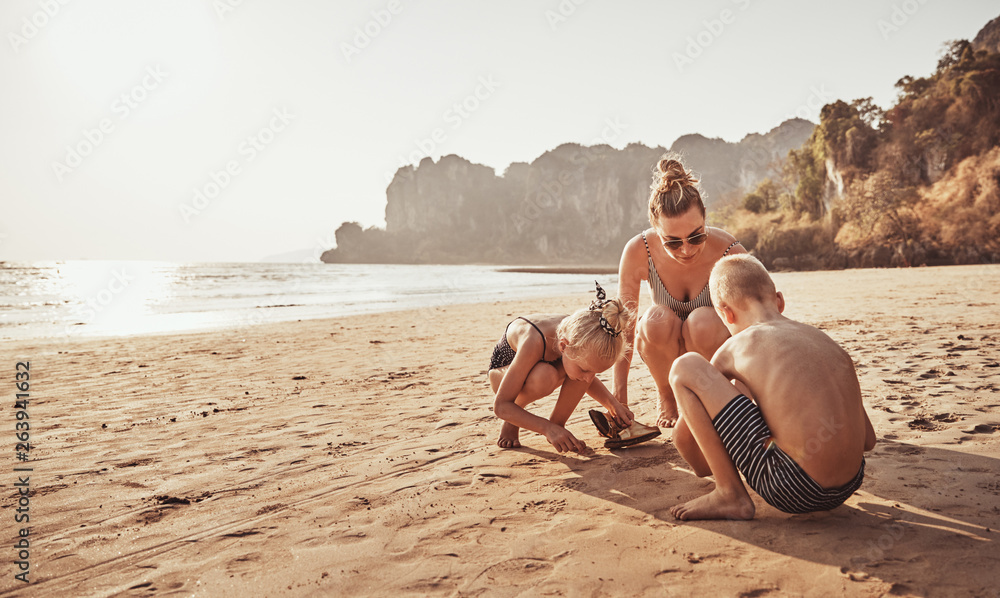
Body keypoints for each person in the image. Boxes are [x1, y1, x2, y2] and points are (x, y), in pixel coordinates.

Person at [667, 254, 877, 520]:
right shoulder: (825, 341)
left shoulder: (735, 347)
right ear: (779, 301)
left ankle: (729, 493)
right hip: (851, 482)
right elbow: (869, 441)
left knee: (685, 366)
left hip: (793, 488)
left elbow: (690, 450)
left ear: (725, 313)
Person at [610, 156, 746, 431]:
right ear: (655, 230)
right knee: (654, 320)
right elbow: (624, 326)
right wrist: (619, 394)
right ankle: (667, 397)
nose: (686, 249)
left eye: (696, 236)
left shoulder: (730, 251)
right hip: (663, 348)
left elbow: (753, 326)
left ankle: (707, 395)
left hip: (710, 347)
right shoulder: (639, 251)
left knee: (704, 321)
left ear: (705, 216)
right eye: (672, 242)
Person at [488, 283, 659, 452]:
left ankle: (558, 424)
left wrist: (614, 405)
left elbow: (585, 371)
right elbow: (501, 405)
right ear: (563, 346)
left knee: (578, 373)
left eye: (595, 372)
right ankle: (515, 422)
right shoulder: (533, 341)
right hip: (504, 371)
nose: (589, 378)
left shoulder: (584, 332)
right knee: (545, 376)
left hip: (552, 363)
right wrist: (546, 428)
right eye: (586, 370)